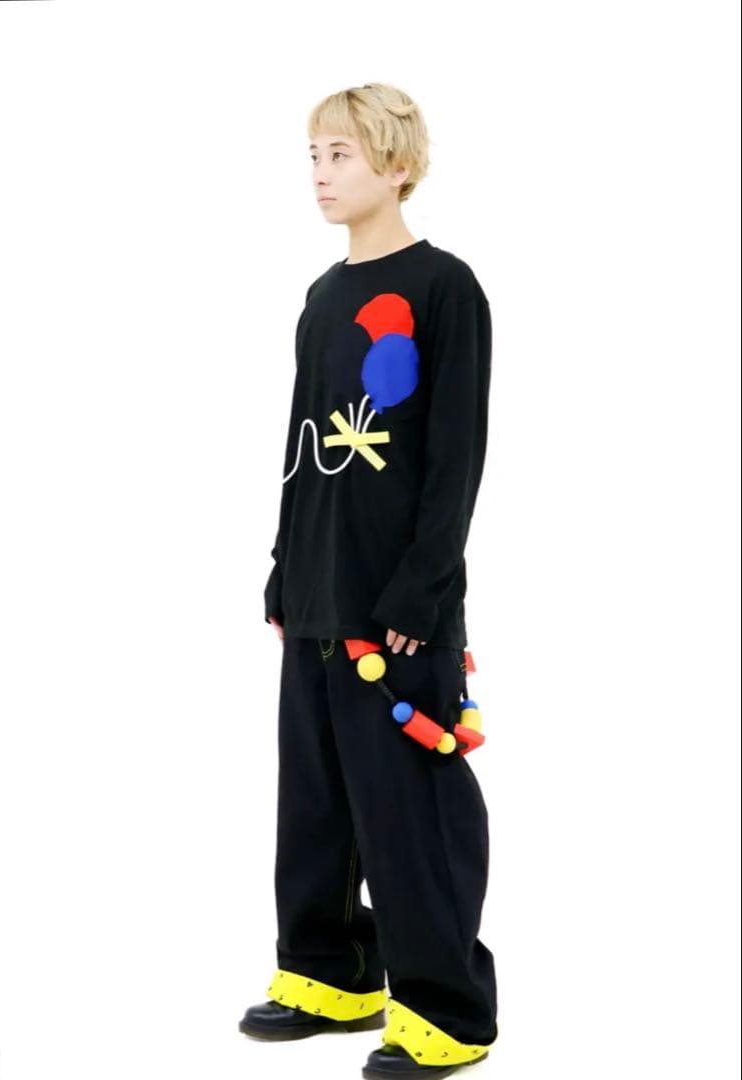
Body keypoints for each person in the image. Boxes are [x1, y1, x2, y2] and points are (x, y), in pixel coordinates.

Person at [239, 82, 498, 1079]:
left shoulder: (444, 288)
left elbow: (454, 454)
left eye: (339, 155)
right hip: (318, 591)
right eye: (312, 156)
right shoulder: (321, 297)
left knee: (407, 810)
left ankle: (444, 1009)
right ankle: (328, 971)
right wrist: (283, 566)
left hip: (398, 609)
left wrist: (420, 588)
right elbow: (304, 446)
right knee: (312, 798)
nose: (319, 175)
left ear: (396, 165)